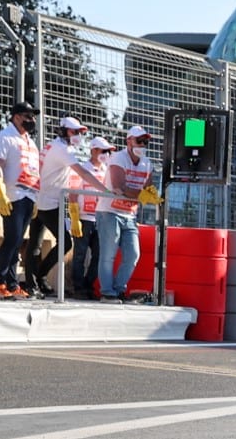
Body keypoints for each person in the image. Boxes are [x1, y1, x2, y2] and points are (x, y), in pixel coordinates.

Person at [30, 117, 97, 297]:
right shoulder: (62, 149)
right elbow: (82, 172)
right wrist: (104, 190)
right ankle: (38, 277)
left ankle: (34, 282)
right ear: (63, 131)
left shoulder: (54, 146)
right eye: (74, 132)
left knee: (34, 245)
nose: (78, 136)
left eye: (80, 132)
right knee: (65, 243)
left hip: (41, 199)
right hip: (49, 203)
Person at [0, 102, 41, 299]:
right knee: (11, 239)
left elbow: (33, 170)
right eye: (28, 116)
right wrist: (0, 192)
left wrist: (36, 197)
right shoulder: (4, 137)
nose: (32, 120)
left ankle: (12, 283)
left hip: (29, 195)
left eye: (33, 117)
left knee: (18, 242)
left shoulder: (30, 142)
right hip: (13, 195)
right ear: (17, 117)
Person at [101, 125, 153, 301]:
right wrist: (144, 195)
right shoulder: (118, 157)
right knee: (108, 254)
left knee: (133, 254)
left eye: (145, 141)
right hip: (109, 211)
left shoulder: (147, 163)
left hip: (130, 213)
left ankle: (118, 289)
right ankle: (108, 293)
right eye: (139, 141)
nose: (142, 145)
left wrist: (147, 195)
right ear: (129, 141)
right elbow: (119, 187)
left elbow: (150, 189)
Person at [71, 137, 114, 298]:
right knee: (80, 254)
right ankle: (78, 288)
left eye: (108, 151)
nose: (107, 154)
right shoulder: (82, 168)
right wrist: (75, 217)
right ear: (93, 150)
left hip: (102, 219)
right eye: (104, 151)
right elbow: (73, 193)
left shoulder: (108, 170)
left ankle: (88, 286)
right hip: (84, 218)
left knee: (100, 254)